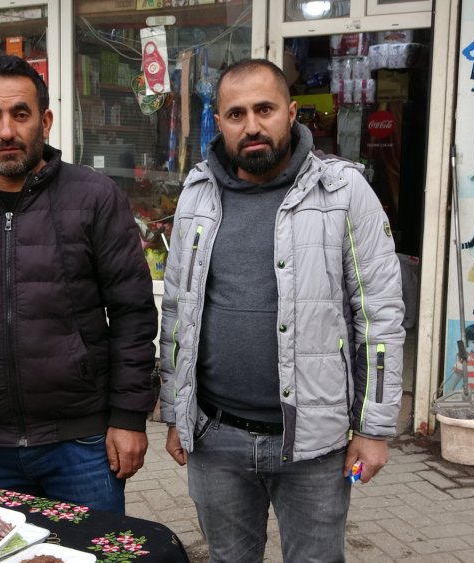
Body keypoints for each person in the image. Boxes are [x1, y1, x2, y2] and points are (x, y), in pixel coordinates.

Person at [158, 59, 405, 562]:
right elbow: (177, 312)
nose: (251, 125)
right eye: (236, 114)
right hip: (215, 437)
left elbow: (380, 318)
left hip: (314, 444)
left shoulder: (342, 191)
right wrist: (174, 412)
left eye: (265, 109)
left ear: (291, 113)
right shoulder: (197, 194)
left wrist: (374, 430)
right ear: (219, 122)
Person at [0, 55, 158, 514]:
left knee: (91, 549)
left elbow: (133, 314)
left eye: (20, 114)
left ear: (45, 121)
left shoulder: (94, 197)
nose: (6, 131)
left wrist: (129, 417)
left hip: (82, 443)